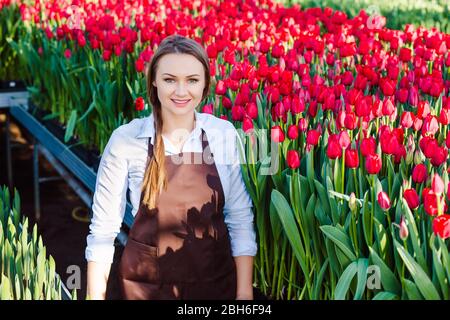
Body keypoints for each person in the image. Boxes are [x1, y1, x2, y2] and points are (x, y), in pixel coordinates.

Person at [85, 34, 257, 300]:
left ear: (205, 85)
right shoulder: (126, 140)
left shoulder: (223, 136)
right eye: (169, 80)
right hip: (144, 288)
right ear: (154, 81)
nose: (180, 91)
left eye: (191, 80)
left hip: (213, 286)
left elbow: (241, 220)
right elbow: (103, 232)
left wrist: (244, 296)